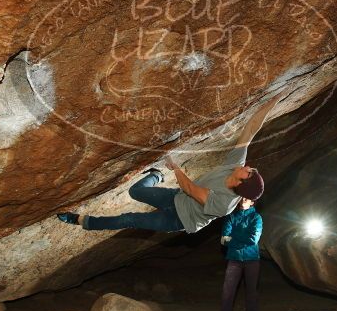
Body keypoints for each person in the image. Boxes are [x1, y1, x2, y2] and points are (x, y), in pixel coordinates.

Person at [57, 92, 285, 233]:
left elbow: (190, 188)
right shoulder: (235, 164)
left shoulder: (225, 203)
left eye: (248, 172)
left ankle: (81, 221)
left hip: (178, 219)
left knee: (130, 219)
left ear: (240, 182)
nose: (248, 167)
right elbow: (250, 132)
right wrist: (272, 102)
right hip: (177, 197)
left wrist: (175, 166)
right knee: (135, 192)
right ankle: (156, 175)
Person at [219, 197, 262, 311]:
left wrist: (234, 236)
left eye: (247, 198)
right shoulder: (231, 217)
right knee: (227, 294)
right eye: (242, 197)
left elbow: (253, 239)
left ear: (252, 202)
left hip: (252, 260)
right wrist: (243, 237)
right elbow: (223, 240)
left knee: (251, 294)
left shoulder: (256, 218)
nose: (244, 199)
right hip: (234, 260)